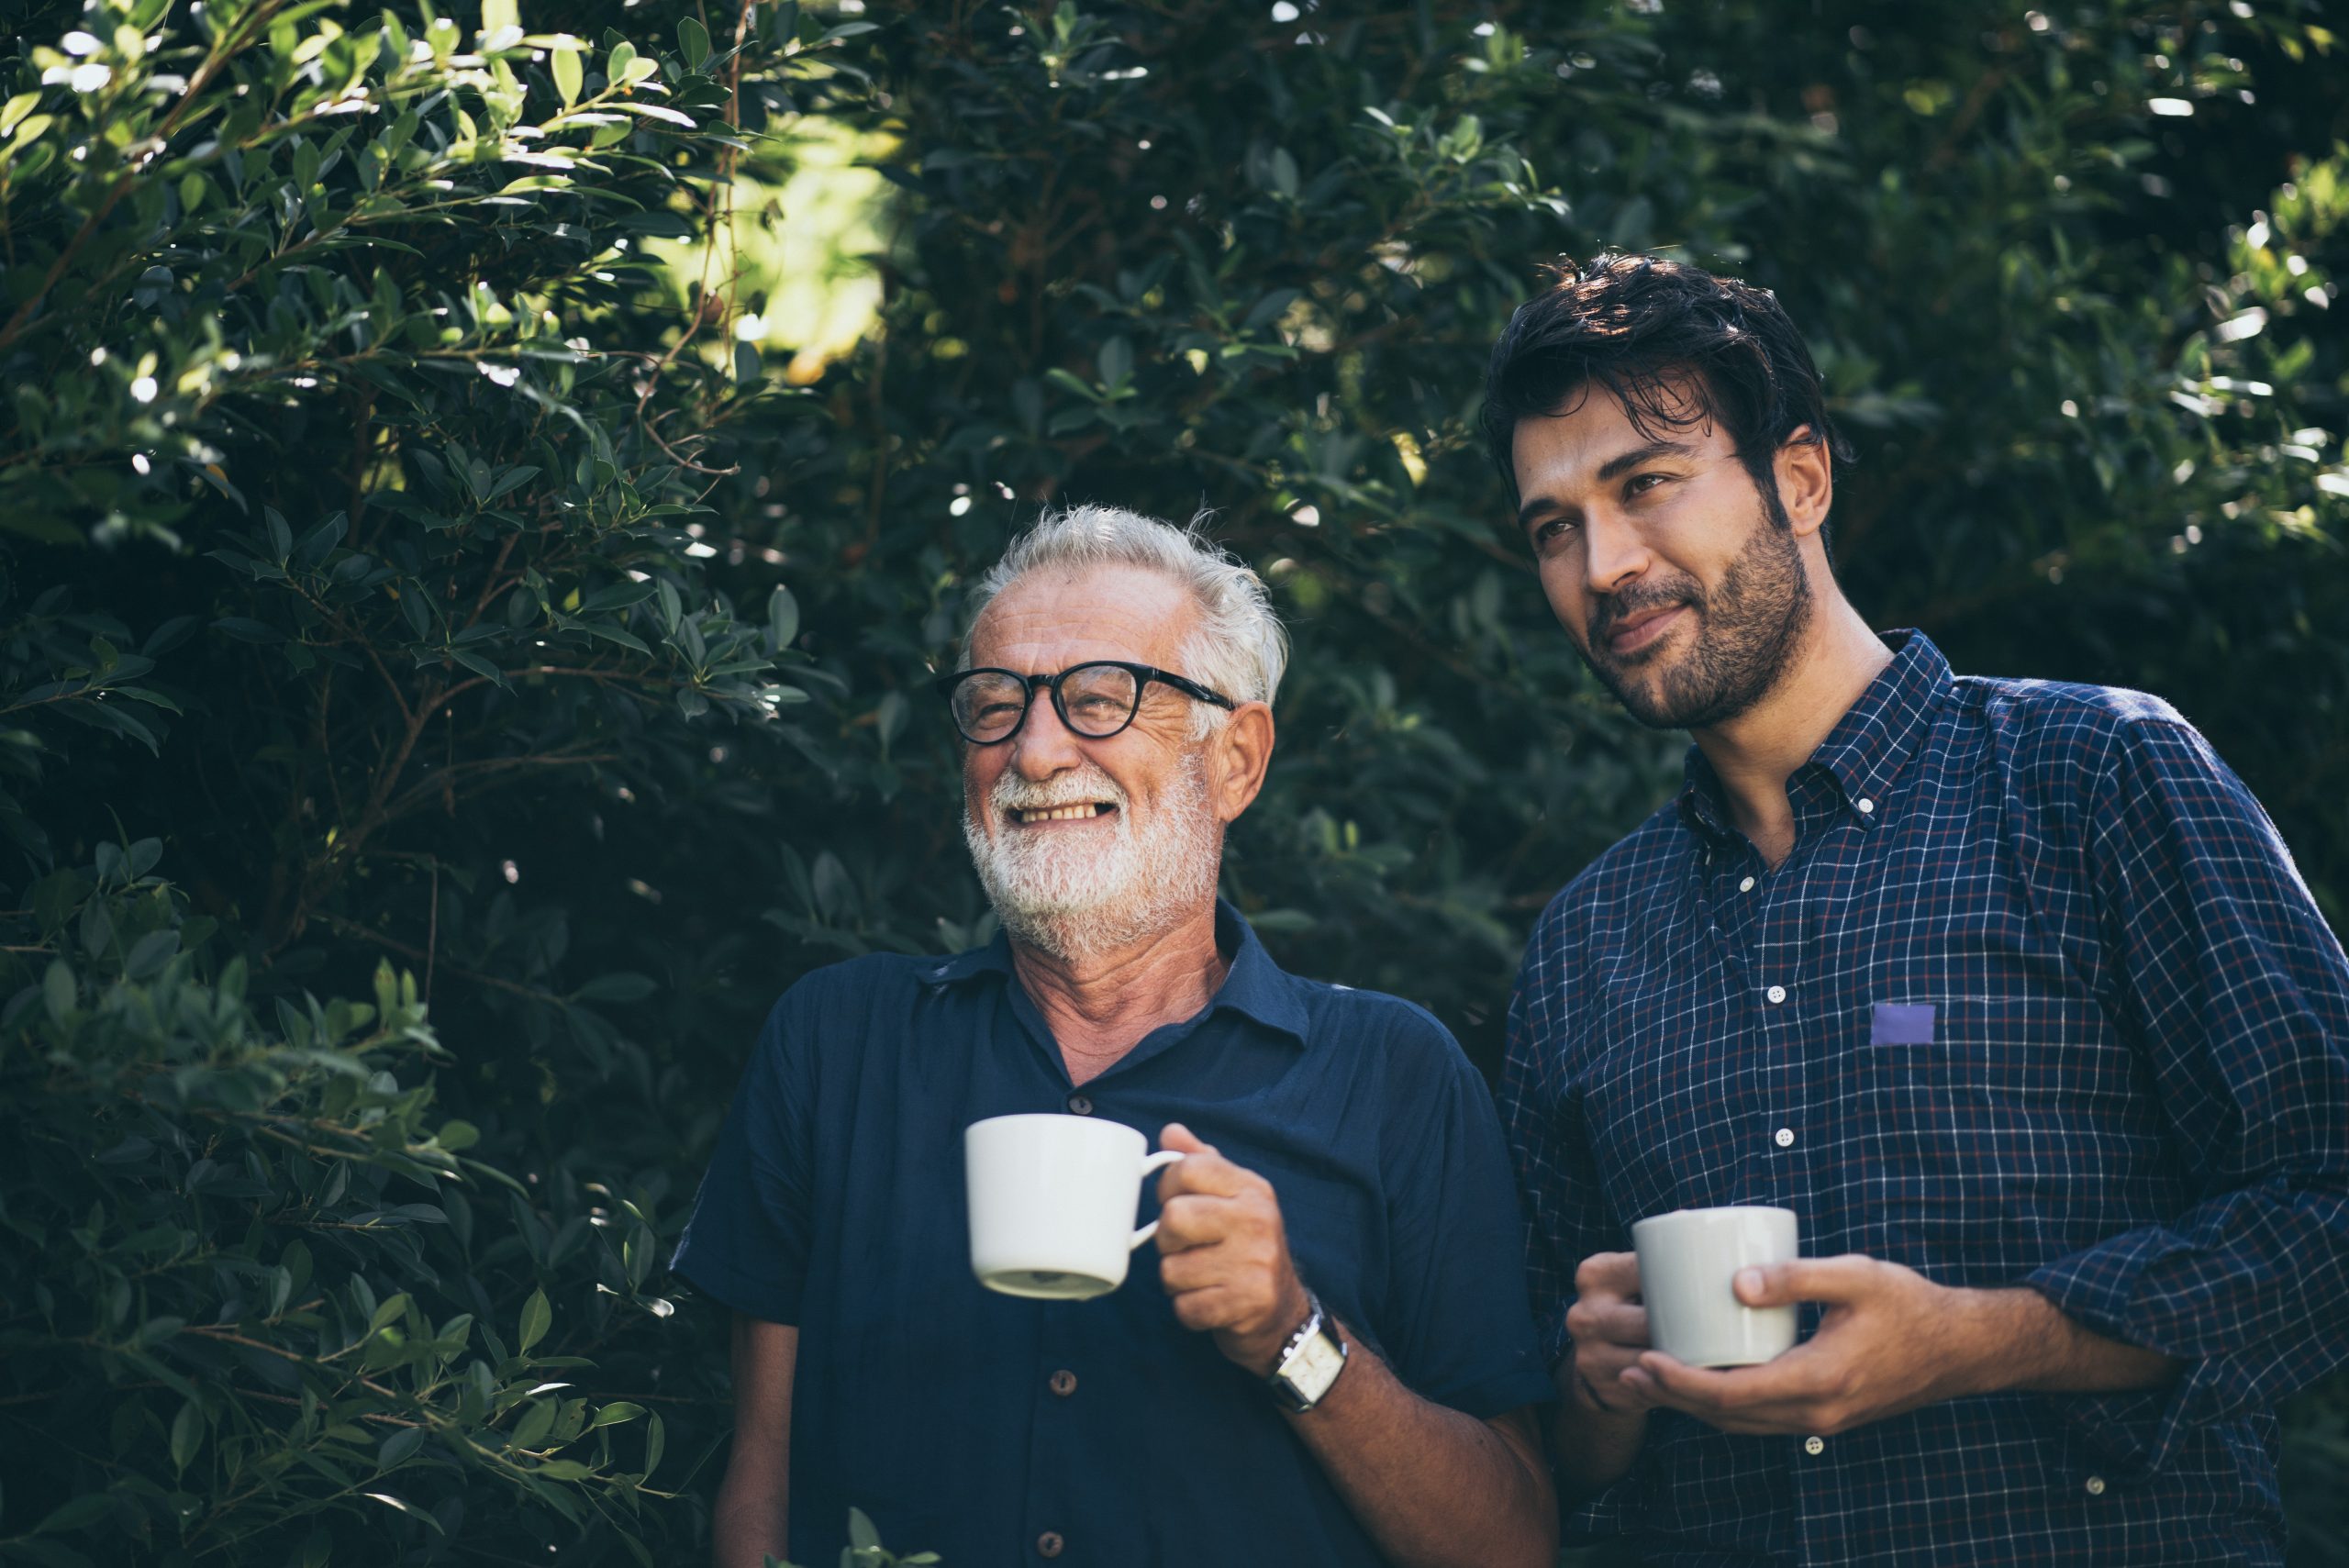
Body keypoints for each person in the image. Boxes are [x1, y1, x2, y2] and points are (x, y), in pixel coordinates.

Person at [1484, 252, 2349, 1564]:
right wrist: (1597, 1387)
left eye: (1646, 484)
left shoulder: (2097, 776)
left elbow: (2328, 1198)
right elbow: (1553, 1457)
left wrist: (1989, 1341)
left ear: (1802, 478)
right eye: (1555, 527)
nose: (1604, 565)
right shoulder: (1581, 948)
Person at [670, 506, 1557, 1568]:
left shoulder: (1395, 1076)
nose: (1034, 751)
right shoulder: (835, 1044)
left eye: (1098, 699)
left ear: (1234, 758)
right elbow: (758, 1483)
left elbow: (1512, 1546)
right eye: (994, 705)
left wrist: (1293, 1336)